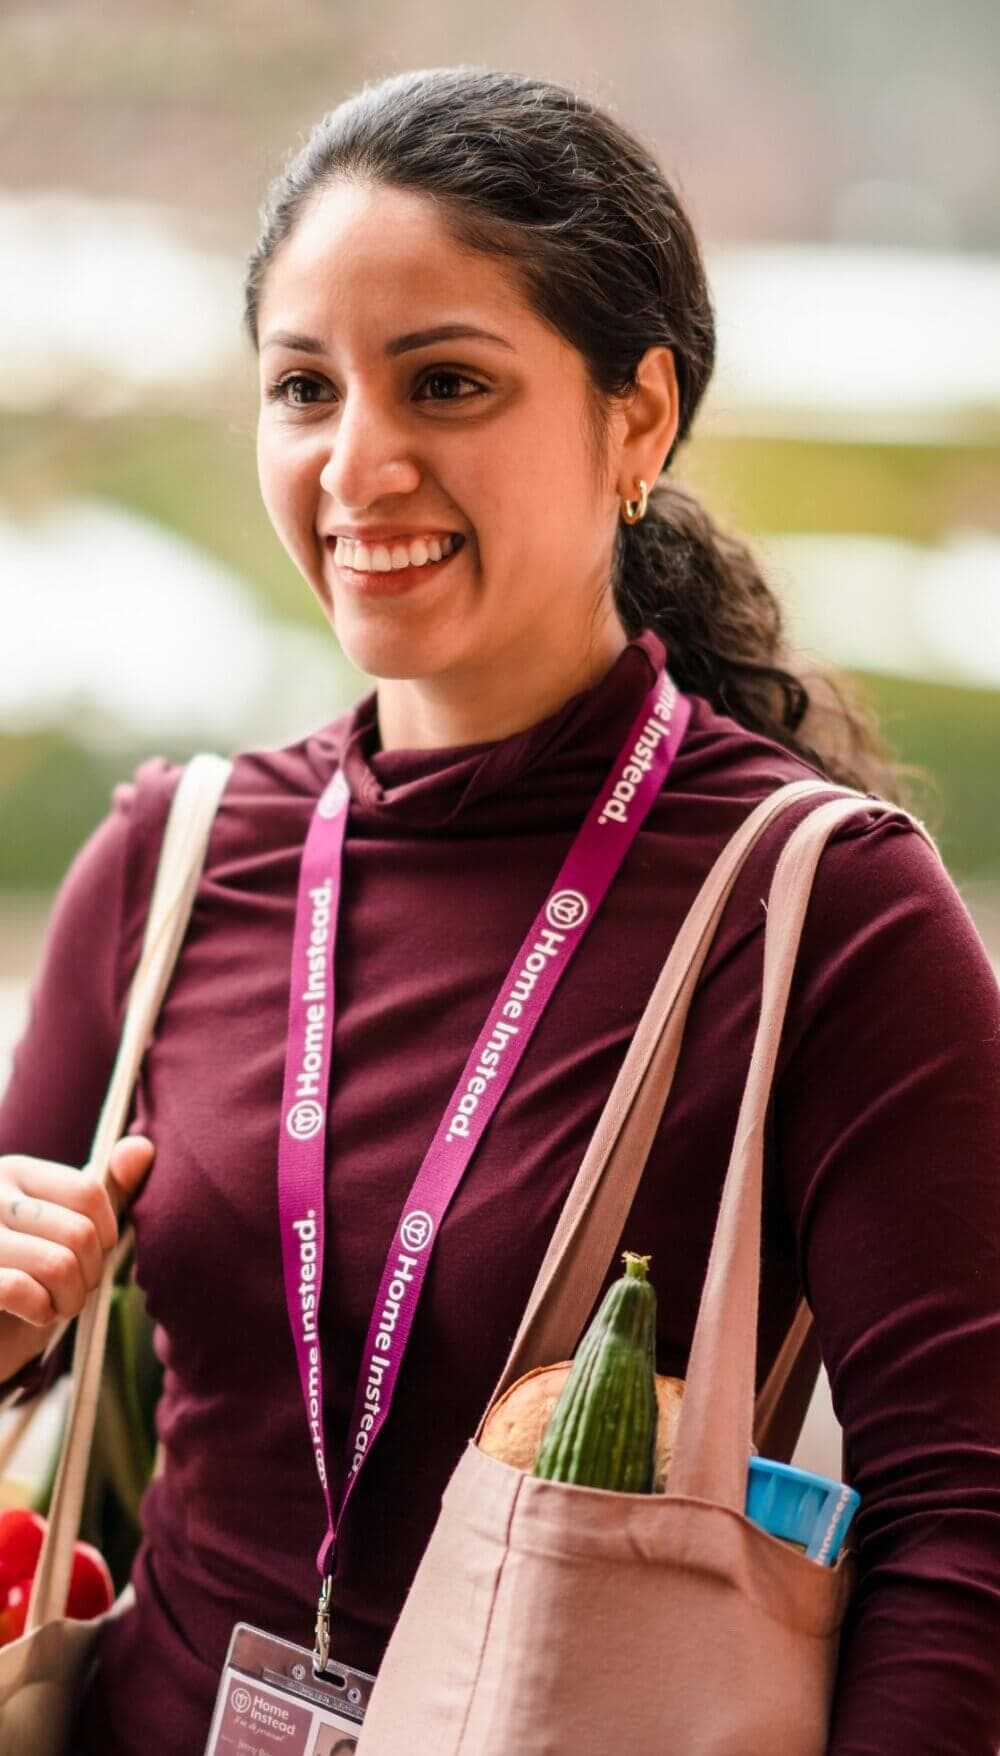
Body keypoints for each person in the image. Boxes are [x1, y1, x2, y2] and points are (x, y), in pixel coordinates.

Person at [0, 66, 997, 1756]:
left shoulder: (823, 910)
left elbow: (968, 1519)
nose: (356, 463)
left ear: (637, 419)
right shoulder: (172, 866)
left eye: (446, 383)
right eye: (304, 386)